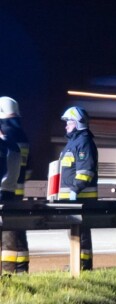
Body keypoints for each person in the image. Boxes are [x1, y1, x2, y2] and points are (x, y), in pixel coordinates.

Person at [58, 106, 98, 270]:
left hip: (82, 198)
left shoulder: (83, 143)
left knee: (81, 234)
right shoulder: (74, 142)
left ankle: (83, 265)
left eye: (69, 121)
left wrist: (75, 190)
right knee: (75, 233)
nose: (66, 125)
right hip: (72, 198)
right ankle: (78, 262)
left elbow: (85, 171)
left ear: (78, 123)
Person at [0, 96, 30, 273]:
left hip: (4, 191)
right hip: (17, 191)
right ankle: (21, 268)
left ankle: (10, 272)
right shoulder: (22, 135)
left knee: (8, 236)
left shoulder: (5, 136)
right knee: (19, 233)